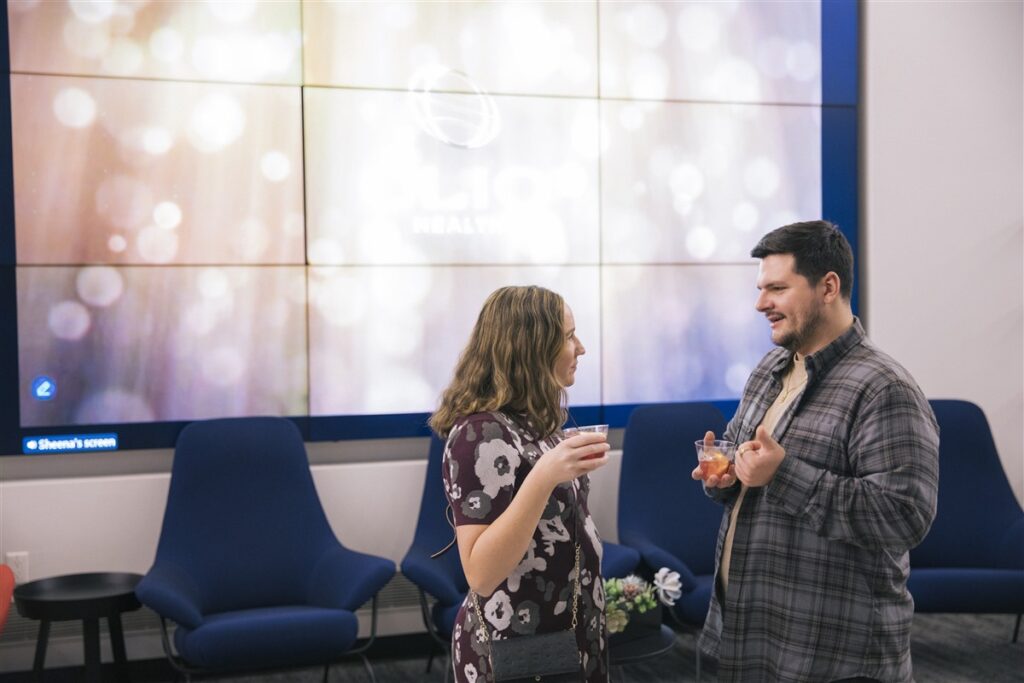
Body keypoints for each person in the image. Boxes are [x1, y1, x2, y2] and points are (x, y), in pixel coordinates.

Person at [692, 220, 940, 682]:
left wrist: (782, 474)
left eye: (777, 288)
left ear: (828, 287)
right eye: (761, 289)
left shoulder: (884, 388)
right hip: (747, 638)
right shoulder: (769, 368)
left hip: (829, 657)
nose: (760, 303)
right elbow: (750, 467)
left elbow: (905, 516)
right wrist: (725, 477)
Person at [431, 285, 611, 683]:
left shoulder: (535, 422)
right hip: (516, 646)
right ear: (532, 348)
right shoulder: (479, 434)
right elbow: (481, 574)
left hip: (566, 634)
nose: (581, 348)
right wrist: (545, 476)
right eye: (568, 336)